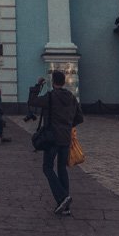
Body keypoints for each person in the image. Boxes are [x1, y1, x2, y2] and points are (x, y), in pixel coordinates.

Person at [28, 71, 84, 215]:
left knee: (47, 167)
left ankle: (63, 197)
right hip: (65, 138)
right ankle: (65, 206)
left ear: (53, 82)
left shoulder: (51, 97)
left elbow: (33, 101)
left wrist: (38, 85)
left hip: (52, 138)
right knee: (61, 169)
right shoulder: (72, 97)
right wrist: (67, 126)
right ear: (64, 82)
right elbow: (79, 118)